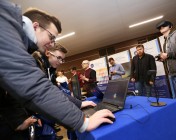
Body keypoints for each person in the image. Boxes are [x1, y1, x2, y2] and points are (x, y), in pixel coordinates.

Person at [0, 1, 115, 138]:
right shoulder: (4, 22)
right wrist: (83, 122)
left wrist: (16, 120)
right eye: (51, 37)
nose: (52, 44)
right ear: (35, 26)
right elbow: (34, 87)